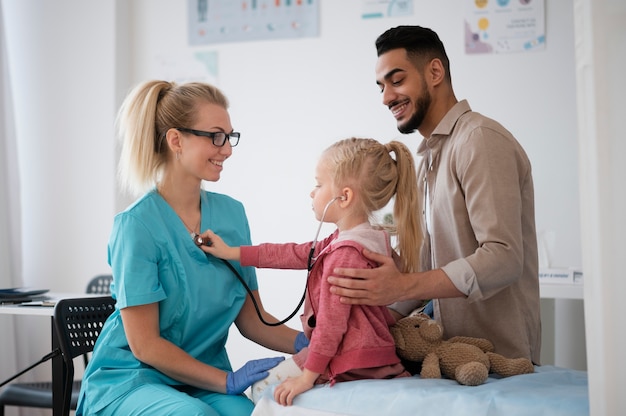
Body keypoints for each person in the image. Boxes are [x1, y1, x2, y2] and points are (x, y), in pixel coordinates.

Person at [76, 80, 307, 416]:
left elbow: (252, 321)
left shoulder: (232, 214)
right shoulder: (136, 226)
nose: (227, 149)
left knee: (254, 414)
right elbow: (145, 345)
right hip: (133, 379)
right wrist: (228, 380)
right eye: (216, 136)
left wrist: (311, 342)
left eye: (230, 137)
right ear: (176, 140)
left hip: (200, 378)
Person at [328, 25, 541, 364]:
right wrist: (352, 328)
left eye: (396, 81)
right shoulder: (429, 156)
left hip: (500, 362)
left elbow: (503, 258)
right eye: (381, 87)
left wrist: (403, 286)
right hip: (448, 357)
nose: (385, 97)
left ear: (435, 72)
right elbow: (427, 264)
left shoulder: (479, 141)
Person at [200, 137, 419, 405]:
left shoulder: (344, 255)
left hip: (350, 358)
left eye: (318, 184)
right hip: (370, 351)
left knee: (260, 390)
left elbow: (330, 327)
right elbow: (293, 253)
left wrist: (307, 377)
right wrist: (232, 252)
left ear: (345, 196)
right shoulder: (365, 240)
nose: (312, 193)